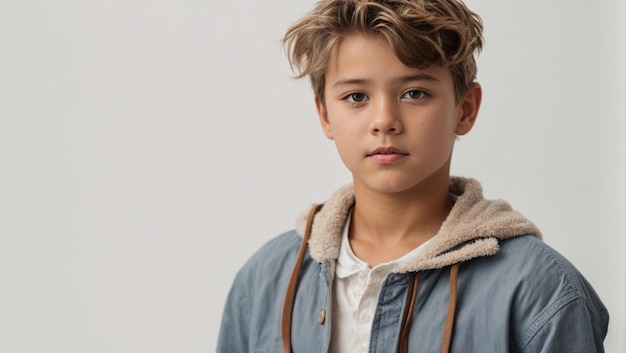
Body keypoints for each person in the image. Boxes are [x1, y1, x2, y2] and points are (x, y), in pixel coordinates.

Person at [216, 0, 609, 352]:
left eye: (415, 93)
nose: (384, 120)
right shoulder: (265, 281)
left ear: (466, 109)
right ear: (325, 115)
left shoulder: (540, 289)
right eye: (356, 97)